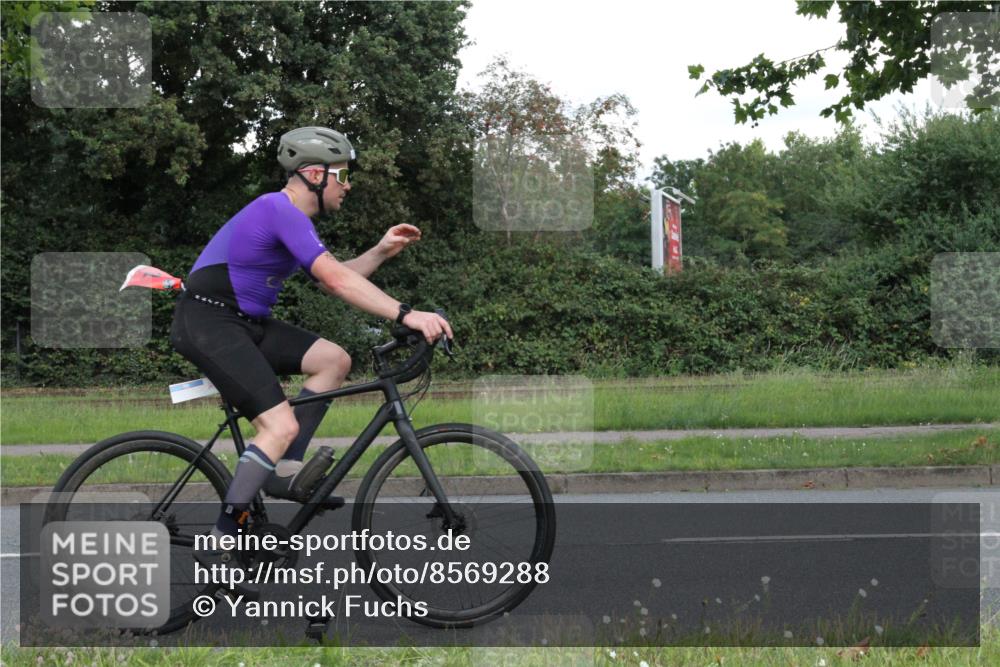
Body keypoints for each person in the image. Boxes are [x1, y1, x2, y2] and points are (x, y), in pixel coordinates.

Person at [170, 126, 451, 590]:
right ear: (315, 174)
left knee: (333, 360)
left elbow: (330, 277)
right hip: (209, 322)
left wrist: (381, 251)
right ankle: (223, 539)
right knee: (279, 425)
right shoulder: (276, 209)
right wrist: (408, 314)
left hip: (244, 323)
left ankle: (282, 473)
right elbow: (339, 283)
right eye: (343, 175)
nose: (348, 185)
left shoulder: (293, 219)